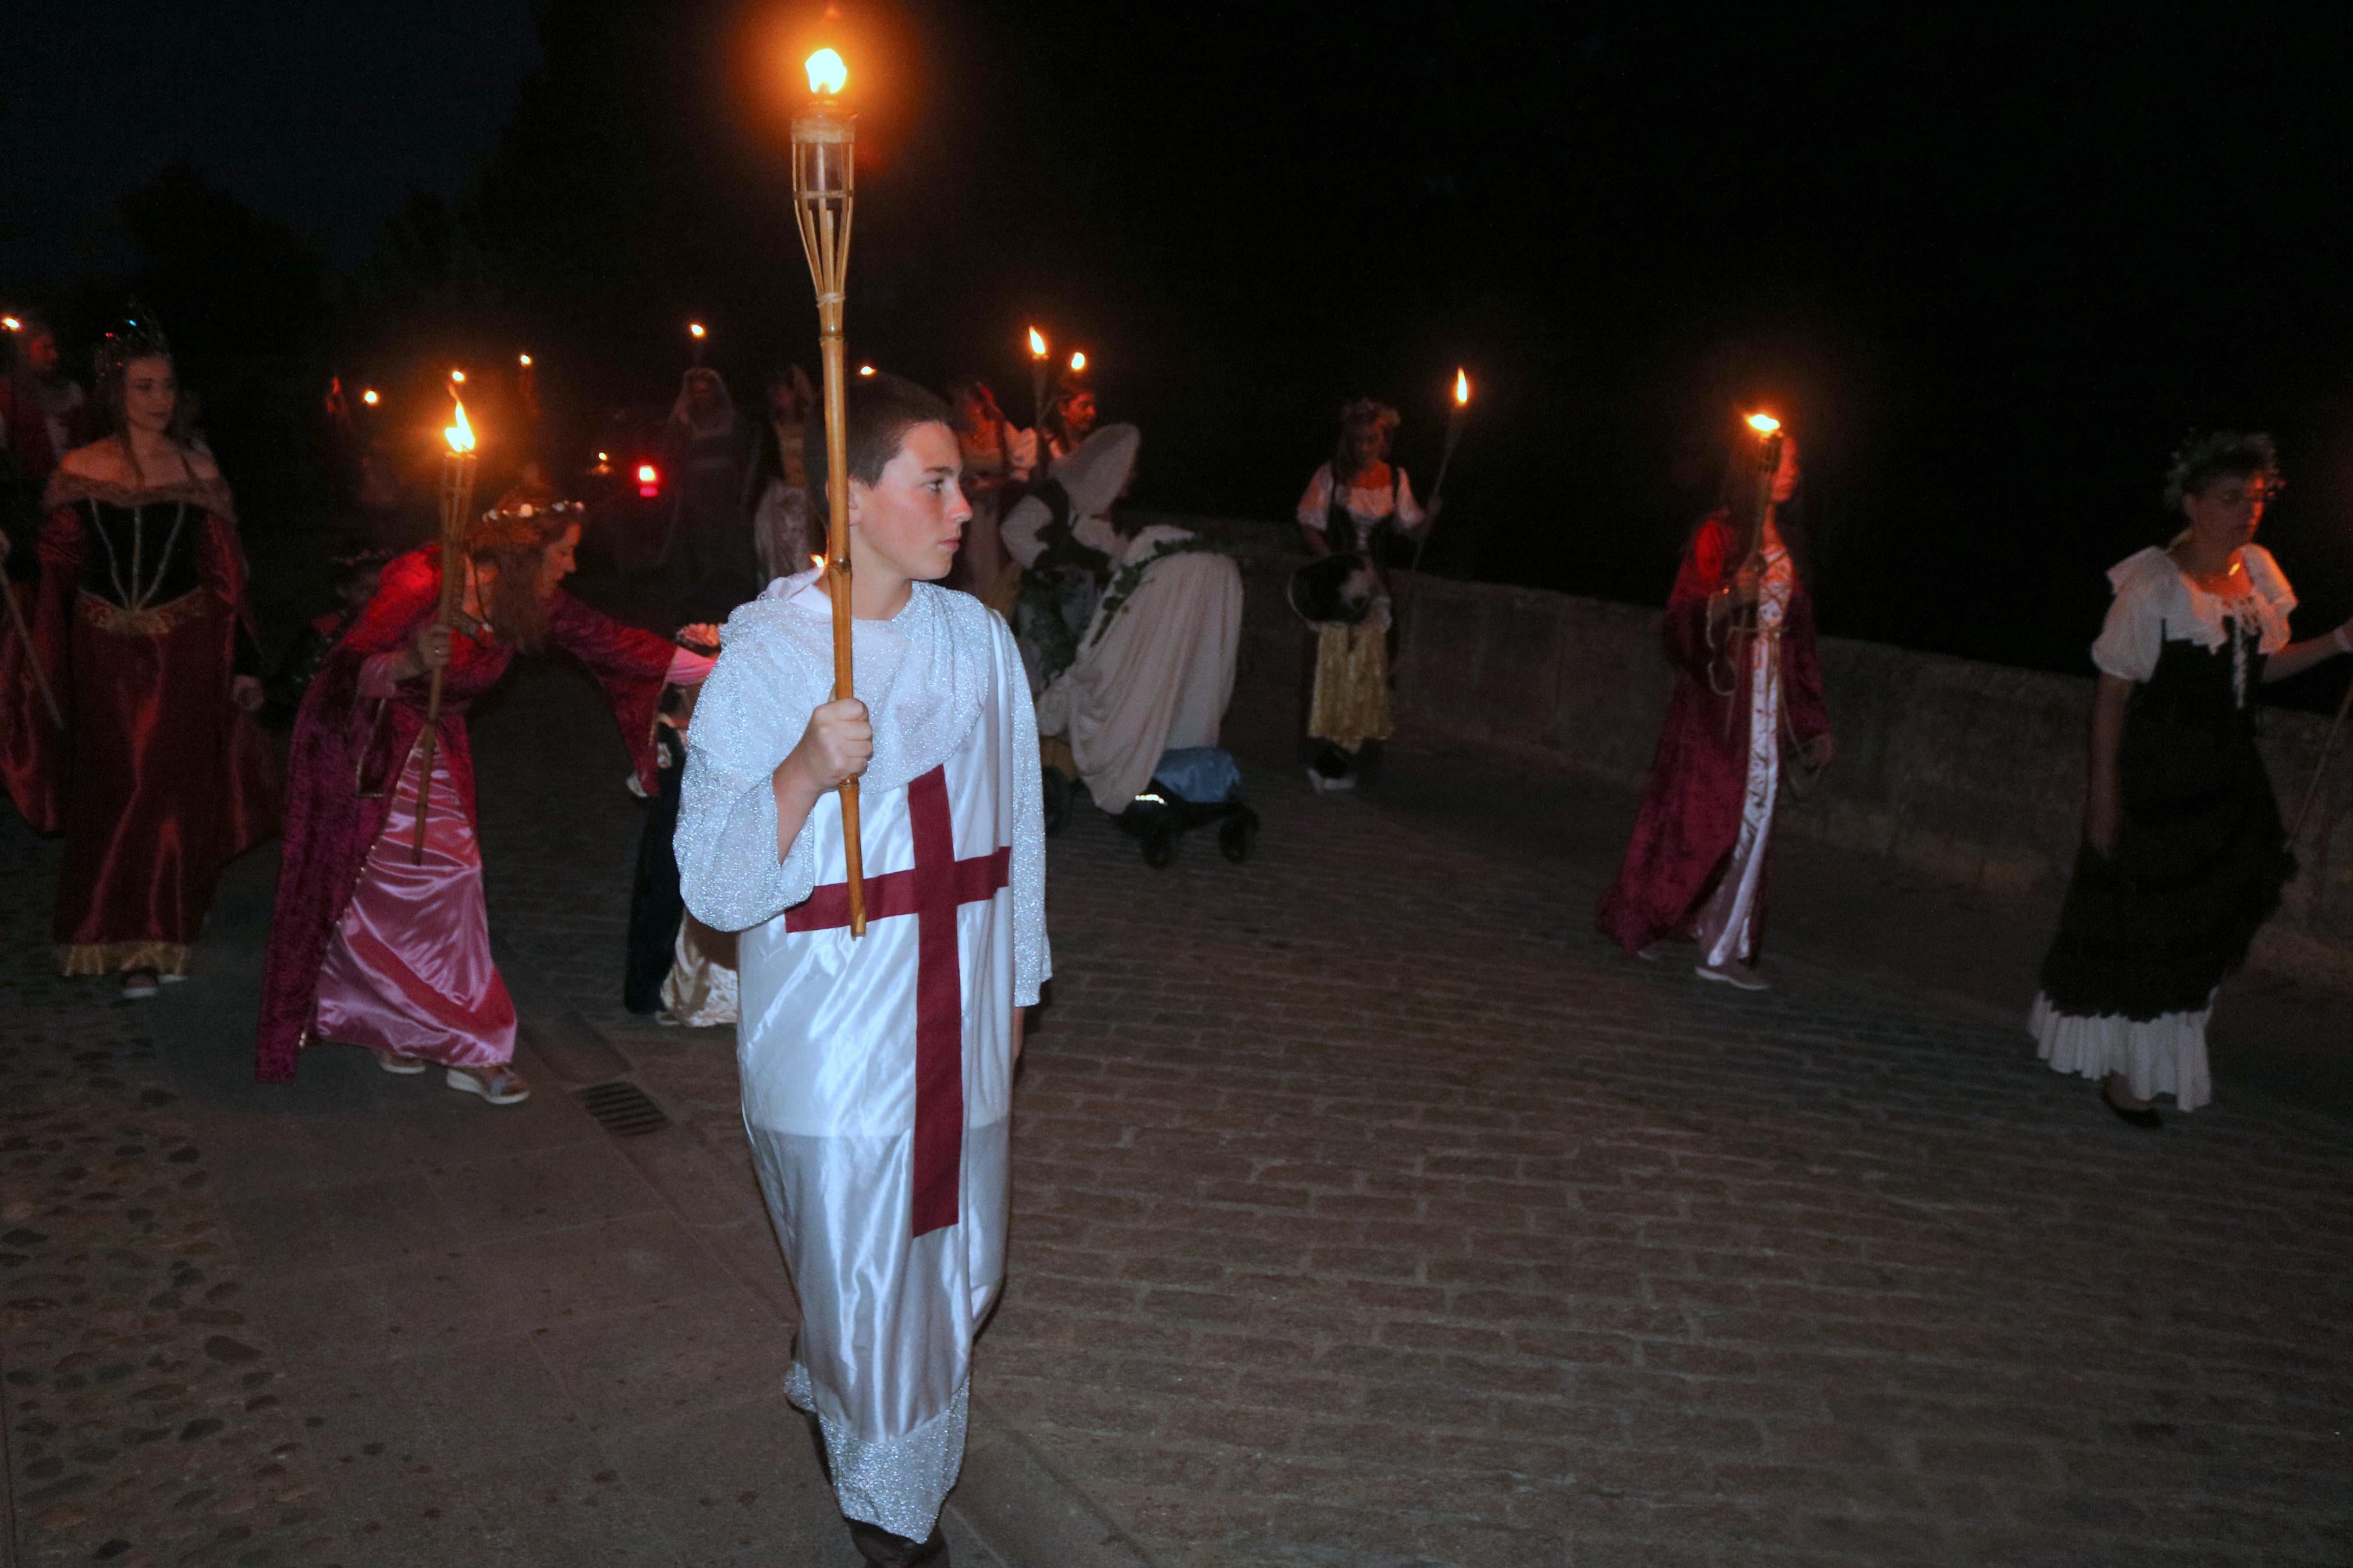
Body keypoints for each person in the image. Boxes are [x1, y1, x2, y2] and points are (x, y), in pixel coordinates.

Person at [676, 373, 1047, 1568]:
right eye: (933, 484)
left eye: (963, 486)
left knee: (950, 1269)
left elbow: (1018, 842)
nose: (959, 510)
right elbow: (714, 888)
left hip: (959, 1026)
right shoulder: (775, 654)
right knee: (872, 1268)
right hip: (836, 1044)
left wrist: (1015, 993)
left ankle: (850, 1399)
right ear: (850, 494)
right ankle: (895, 1522)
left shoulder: (977, 640)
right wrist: (798, 772)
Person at [254, 488, 718, 1097]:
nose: (572, 566)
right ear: (528, 553)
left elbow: (623, 647)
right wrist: (410, 661)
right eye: (565, 551)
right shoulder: (425, 580)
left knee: (416, 887)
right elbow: (348, 669)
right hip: (368, 747)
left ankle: (405, 1026)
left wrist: (725, 660)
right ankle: (471, 1045)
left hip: (437, 745)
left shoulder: (533, 602)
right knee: (428, 882)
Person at [2032, 433, 2353, 1126]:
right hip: (2160, 777)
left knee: (2207, 923)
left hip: (2229, 778)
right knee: (2152, 924)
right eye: (2231, 500)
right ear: (2192, 503)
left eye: (2257, 499)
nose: (2247, 513)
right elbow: (2112, 695)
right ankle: (2128, 1075)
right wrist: (2103, 794)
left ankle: (2154, 1062)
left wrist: (2337, 643)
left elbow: (2258, 669)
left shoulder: (2257, 573)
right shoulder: (2153, 585)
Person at [0, 312, 278, 997]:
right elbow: (60, 563)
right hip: (104, 654)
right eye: (144, 387)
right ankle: (106, 926)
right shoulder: (82, 468)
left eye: (166, 387)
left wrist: (244, 663)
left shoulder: (197, 469)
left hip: (182, 648)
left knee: (169, 786)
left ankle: (160, 931)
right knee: (117, 783)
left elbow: (225, 579)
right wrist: (16, 565)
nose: (158, 399)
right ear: (116, 394)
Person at [1595, 425, 1833, 990]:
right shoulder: (1719, 536)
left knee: (1756, 816)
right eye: (1782, 463)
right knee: (1698, 819)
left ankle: (1723, 942)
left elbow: (1798, 644)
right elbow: (1678, 620)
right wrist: (1729, 600)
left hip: (1765, 702)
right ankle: (1649, 915)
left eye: (1796, 463)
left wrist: (1812, 722)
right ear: (1757, 469)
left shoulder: (1789, 547)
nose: (1793, 472)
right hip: (1718, 702)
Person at [1035, 447, 1243, 813]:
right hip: (1066, 598)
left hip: (1117, 612)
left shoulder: (1150, 565)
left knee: (1109, 670)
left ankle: (1139, 765)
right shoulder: (1059, 507)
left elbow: (1107, 638)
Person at [1293, 398, 1431, 791]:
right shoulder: (1330, 477)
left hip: (1374, 591)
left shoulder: (1394, 480)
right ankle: (1321, 760)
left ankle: (1352, 763)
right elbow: (1309, 524)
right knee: (1328, 670)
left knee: (1367, 674)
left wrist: (1431, 515)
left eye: (1372, 440)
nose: (1364, 448)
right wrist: (1336, 564)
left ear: (1383, 441)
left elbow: (1412, 529)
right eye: (1357, 440)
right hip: (1335, 584)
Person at [660, 367, 762, 621]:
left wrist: (744, 495)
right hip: (697, 497)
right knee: (703, 549)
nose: (701, 396)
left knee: (733, 550)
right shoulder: (685, 421)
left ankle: (738, 604)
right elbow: (672, 457)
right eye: (697, 392)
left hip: (728, 495)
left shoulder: (731, 419)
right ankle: (707, 607)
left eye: (706, 391)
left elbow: (745, 457)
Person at [946, 376, 1036, 616]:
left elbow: (1021, 469)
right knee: (971, 565)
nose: (960, 408)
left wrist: (994, 485)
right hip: (968, 509)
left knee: (996, 567)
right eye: (957, 402)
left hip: (997, 510)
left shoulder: (1001, 430)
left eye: (965, 402)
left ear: (979, 405)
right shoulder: (954, 434)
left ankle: (997, 614)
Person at [749, 365, 817, 586]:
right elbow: (758, 463)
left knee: (804, 555)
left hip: (807, 498)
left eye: (784, 390)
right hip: (779, 497)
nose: (779, 395)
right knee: (776, 556)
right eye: (775, 391)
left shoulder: (812, 425)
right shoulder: (769, 427)